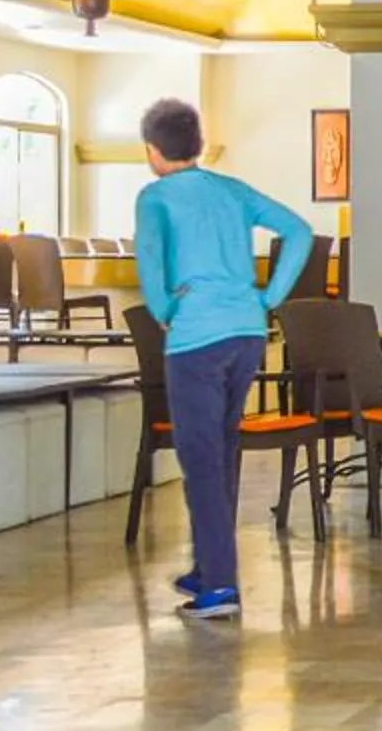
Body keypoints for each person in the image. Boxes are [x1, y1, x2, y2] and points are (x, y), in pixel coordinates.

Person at [134, 98, 315, 620]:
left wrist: (166, 308)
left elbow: (149, 266)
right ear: (198, 145)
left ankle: (218, 586)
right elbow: (298, 231)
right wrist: (268, 297)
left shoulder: (155, 198)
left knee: (200, 460)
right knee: (222, 447)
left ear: (152, 150)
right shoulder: (232, 191)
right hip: (247, 333)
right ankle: (209, 564)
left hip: (196, 339)